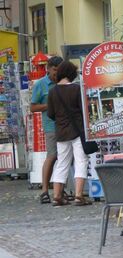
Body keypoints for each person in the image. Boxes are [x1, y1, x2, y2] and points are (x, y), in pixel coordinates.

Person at [47, 61, 91, 206]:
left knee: (62, 163)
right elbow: (84, 110)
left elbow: (51, 114)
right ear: (71, 74)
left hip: (61, 132)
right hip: (77, 130)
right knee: (81, 161)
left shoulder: (53, 91)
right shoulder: (77, 89)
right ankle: (79, 195)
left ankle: (57, 195)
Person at [30, 56, 63, 204]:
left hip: (66, 125)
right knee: (52, 156)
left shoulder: (65, 82)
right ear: (48, 69)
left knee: (65, 158)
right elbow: (33, 107)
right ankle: (44, 190)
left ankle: (60, 189)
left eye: (59, 70)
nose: (57, 73)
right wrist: (50, 105)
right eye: (55, 70)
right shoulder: (41, 85)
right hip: (51, 126)